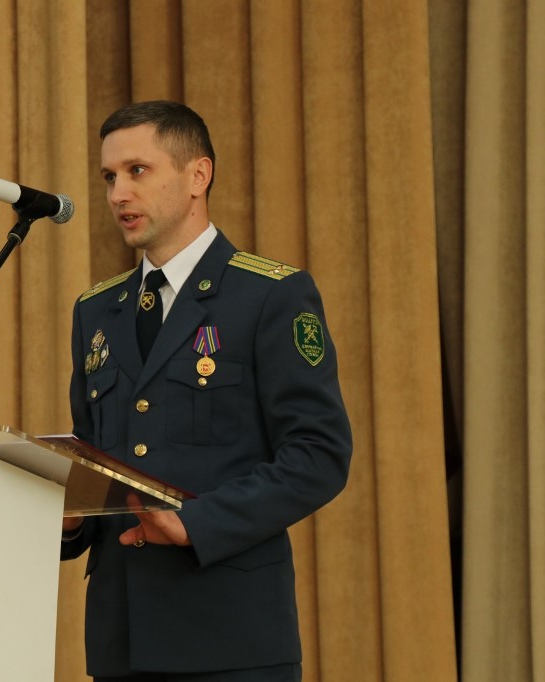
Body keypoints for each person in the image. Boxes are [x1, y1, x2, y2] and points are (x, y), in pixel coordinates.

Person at [61, 100, 352, 682]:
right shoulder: (96, 310)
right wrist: (67, 519)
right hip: (122, 640)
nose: (118, 194)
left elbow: (319, 454)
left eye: (137, 171)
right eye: (109, 177)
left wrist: (197, 522)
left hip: (231, 638)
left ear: (198, 175)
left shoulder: (269, 295)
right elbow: (96, 460)